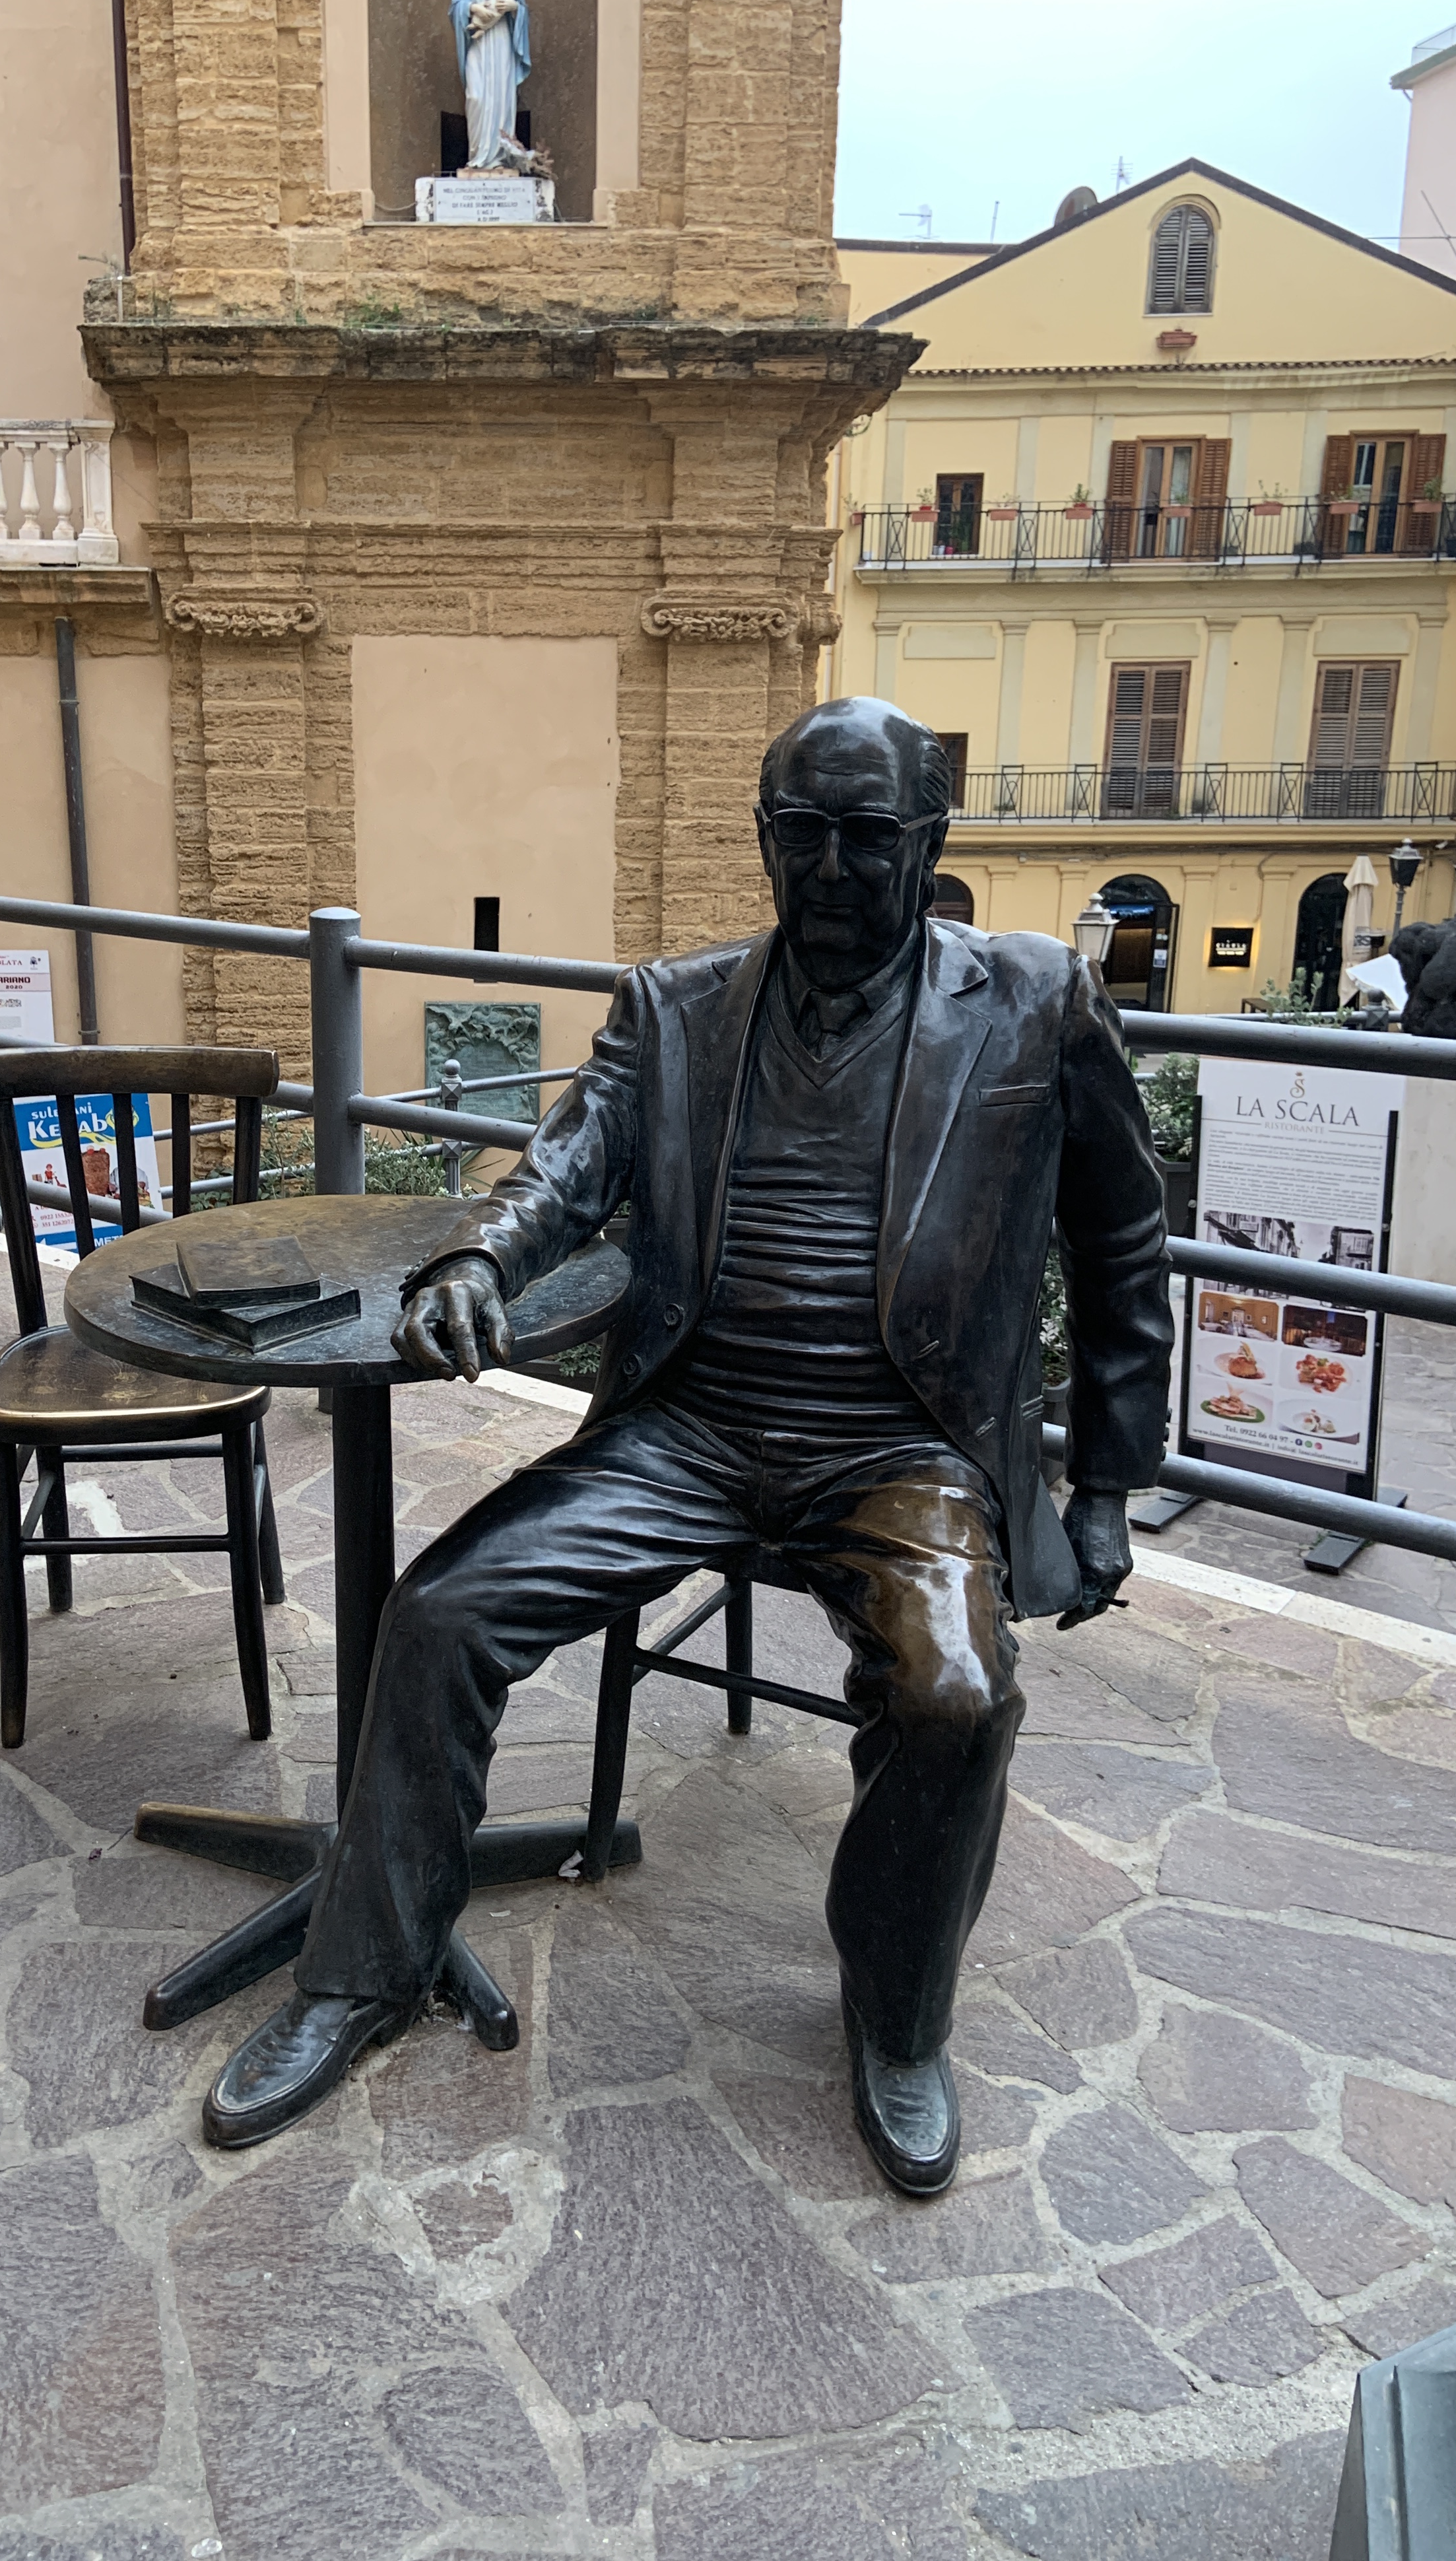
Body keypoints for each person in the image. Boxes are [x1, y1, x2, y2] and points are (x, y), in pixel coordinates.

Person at [205, 699, 1174, 2194]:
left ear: (929, 842)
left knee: (956, 1697)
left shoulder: (1035, 1001)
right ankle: (364, 1973)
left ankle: (895, 2010)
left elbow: (1121, 1245)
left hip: (902, 1451)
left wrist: (1103, 1485)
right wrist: (480, 1258)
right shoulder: (677, 1008)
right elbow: (566, 1165)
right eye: (804, 834)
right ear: (763, 840)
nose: (834, 867)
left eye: (870, 836)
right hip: (689, 1431)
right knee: (442, 1610)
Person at [450, 0, 529, 171]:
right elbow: (455, 7)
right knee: (476, 96)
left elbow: (522, 8)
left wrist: (514, 7)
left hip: (502, 41)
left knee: (502, 97)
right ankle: (478, 157)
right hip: (479, 43)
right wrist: (473, 8)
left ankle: (500, 158)